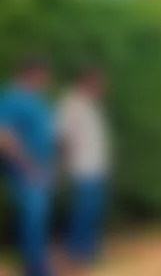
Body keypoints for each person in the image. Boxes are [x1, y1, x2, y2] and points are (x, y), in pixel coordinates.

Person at [0, 58, 55, 276]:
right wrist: (28, 166)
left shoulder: (36, 99)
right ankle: (34, 268)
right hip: (26, 169)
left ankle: (37, 263)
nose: (46, 81)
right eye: (44, 76)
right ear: (32, 74)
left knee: (38, 217)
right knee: (33, 215)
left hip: (41, 168)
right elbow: (4, 136)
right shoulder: (13, 97)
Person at [57, 66, 110, 269]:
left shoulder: (90, 104)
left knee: (92, 210)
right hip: (81, 167)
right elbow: (62, 137)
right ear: (87, 82)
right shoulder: (71, 104)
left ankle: (89, 249)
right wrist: (66, 164)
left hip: (96, 166)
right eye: (98, 83)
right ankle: (77, 252)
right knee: (82, 210)